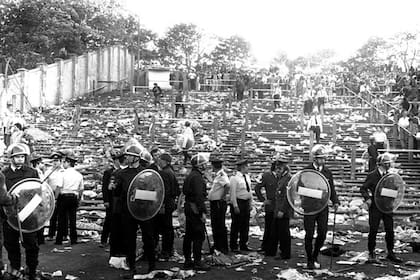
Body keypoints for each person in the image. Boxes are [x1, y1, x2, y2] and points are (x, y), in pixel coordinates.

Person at [114, 145, 156, 276]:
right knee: (129, 240)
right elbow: (118, 193)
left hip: (144, 211)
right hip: (128, 212)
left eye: (129, 155)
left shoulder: (145, 173)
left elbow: (152, 194)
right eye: (126, 155)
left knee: (148, 239)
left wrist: (138, 196)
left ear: (136, 158)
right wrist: (114, 187)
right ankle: (131, 267)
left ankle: (152, 266)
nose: (126, 157)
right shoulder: (120, 173)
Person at [2, 143, 40, 280]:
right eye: (17, 157)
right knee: (11, 245)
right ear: (11, 158)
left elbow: (38, 193)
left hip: (28, 215)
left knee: (31, 245)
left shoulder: (31, 172)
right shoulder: (3, 174)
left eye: (22, 157)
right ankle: (15, 270)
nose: (20, 159)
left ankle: (32, 270)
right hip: (10, 216)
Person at [360, 153, 403, 263]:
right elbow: (363, 188)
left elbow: (394, 190)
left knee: (390, 230)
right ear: (381, 164)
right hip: (375, 206)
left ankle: (390, 252)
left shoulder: (390, 176)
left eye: (389, 163)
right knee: (373, 230)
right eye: (387, 163)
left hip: (387, 206)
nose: (389, 165)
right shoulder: (372, 175)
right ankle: (371, 252)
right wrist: (367, 198)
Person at [303, 146, 339, 269]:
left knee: (322, 233)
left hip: (323, 207)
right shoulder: (307, 171)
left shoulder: (328, 172)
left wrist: (335, 201)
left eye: (324, 158)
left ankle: (315, 255)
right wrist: (314, 193)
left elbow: (331, 189)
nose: (323, 161)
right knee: (309, 234)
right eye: (320, 158)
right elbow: (300, 188)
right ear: (314, 158)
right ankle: (309, 259)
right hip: (310, 207)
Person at [182, 154, 210, 271]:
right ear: (199, 165)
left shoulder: (190, 175)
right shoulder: (197, 177)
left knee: (188, 235)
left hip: (189, 206)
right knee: (198, 235)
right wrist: (202, 211)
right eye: (203, 164)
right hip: (195, 207)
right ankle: (197, 261)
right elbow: (199, 196)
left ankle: (188, 260)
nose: (205, 165)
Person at [265, 155, 293, 259]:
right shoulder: (282, 178)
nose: (277, 170)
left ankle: (285, 254)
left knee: (283, 233)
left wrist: (282, 210)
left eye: (279, 168)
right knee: (275, 231)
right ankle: (271, 251)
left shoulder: (288, 179)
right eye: (277, 167)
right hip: (277, 209)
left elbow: (287, 197)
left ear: (284, 168)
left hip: (283, 210)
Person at [154, 153, 180, 259]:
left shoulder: (164, 173)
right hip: (170, 202)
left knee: (165, 228)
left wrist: (161, 204)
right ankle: (168, 249)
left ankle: (166, 250)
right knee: (168, 228)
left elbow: (165, 191)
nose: (158, 161)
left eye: (160, 159)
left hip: (165, 203)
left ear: (164, 161)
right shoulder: (171, 172)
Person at [55, 150, 83, 245]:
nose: (63, 164)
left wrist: (55, 198)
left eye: (64, 162)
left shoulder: (62, 174)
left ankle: (59, 239)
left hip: (63, 196)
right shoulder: (79, 175)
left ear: (68, 162)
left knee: (62, 219)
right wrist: (79, 199)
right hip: (74, 197)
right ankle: (73, 239)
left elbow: (59, 187)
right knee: (73, 219)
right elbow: (81, 189)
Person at [255, 155, 280, 253]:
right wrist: (263, 200)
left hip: (279, 205)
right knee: (268, 227)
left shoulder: (283, 176)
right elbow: (257, 188)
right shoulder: (266, 176)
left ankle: (273, 247)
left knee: (277, 228)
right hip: (270, 205)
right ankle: (265, 246)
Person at [207, 152, 230, 254]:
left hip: (218, 203)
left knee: (219, 225)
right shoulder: (218, 175)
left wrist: (222, 197)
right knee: (215, 225)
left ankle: (222, 247)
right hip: (215, 203)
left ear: (213, 166)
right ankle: (217, 245)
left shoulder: (221, 175)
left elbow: (227, 185)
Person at [100, 150, 123, 247]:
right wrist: (106, 200)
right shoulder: (108, 172)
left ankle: (114, 239)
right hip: (110, 199)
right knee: (108, 219)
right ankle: (104, 240)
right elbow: (105, 187)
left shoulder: (122, 172)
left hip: (118, 200)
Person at [229, 158, 253, 253]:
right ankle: (234, 245)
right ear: (243, 167)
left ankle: (244, 244)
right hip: (239, 202)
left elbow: (249, 190)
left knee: (245, 225)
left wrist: (251, 203)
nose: (248, 168)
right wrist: (235, 205)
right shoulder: (234, 178)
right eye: (247, 166)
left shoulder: (247, 177)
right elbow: (233, 193)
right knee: (236, 225)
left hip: (246, 202)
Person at [45, 151, 64, 241]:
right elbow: (45, 184)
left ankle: (63, 234)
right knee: (52, 215)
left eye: (57, 160)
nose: (55, 162)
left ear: (61, 161)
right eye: (54, 161)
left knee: (63, 216)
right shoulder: (48, 172)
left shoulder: (64, 171)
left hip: (62, 194)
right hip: (52, 194)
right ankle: (51, 234)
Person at [29, 152, 46, 245]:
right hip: (36, 197)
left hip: (40, 197)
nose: (43, 165)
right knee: (37, 218)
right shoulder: (34, 172)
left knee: (40, 218)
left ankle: (40, 238)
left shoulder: (40, 172)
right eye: (41, 163)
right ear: (37, 163)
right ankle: (38, 238)